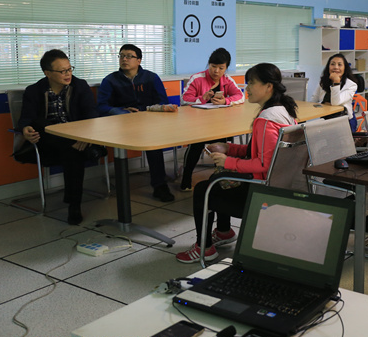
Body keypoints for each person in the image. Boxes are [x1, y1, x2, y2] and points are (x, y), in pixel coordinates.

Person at [176, 63, 298, 263]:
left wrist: (228, 162)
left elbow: (264, 164)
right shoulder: (284, 112)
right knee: (219, 177)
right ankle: (223, 231)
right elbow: (257, 151)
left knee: (203, 189)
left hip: (260, 192)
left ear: (269, 87)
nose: (246, 88)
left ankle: (204, 248)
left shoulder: (266, 120)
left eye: (251, 83)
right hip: (278, 185)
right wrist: (228, 148)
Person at [16, 50, 100, 224]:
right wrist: (26, 129)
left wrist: (84, 137)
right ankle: (74, 203)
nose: (68, 74)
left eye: (69, 69)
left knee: (72, 152)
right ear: (47, 73)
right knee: (40, 123)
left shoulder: (80, 86)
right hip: (48, 141)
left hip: (78, 138)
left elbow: (91, 116)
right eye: (62, 71)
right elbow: (26, 119)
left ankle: (74, 205)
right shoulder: (34, 91)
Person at [97, 44, 174, 202]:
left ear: (139, 60)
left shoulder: (151, 78)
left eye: (129, 56)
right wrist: (121, 111)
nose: (124, 59)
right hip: (121, 125)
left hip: (149, 123)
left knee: (153, 143)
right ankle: (122, 186)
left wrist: (148, 112)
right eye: (121, 56)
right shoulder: (110, 80)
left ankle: (160, 186)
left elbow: (163, 102)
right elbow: (102, 106)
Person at [179, 47, 245, 191]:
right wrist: (202, 98)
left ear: (226, 68)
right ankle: (186, 178)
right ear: (208, 64)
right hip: (198, 123)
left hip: (220, 124)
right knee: (196, 146)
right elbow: (184, 99)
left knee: (222, 144)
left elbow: (240, 96)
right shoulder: (197, 78)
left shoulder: (227, 80)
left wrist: (226, 101)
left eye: (221, 68)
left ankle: (220, 178)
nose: (216, 71)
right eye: (213, 66)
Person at [311, 53, 359, 131]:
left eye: (340, 65)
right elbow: (314, 99)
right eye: (332, 64)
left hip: (344, 120)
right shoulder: (323, 82)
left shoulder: (351, 85)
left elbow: (335, 103)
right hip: (325, 118)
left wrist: (336, 82)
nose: (336, 67)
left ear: (345, 68)